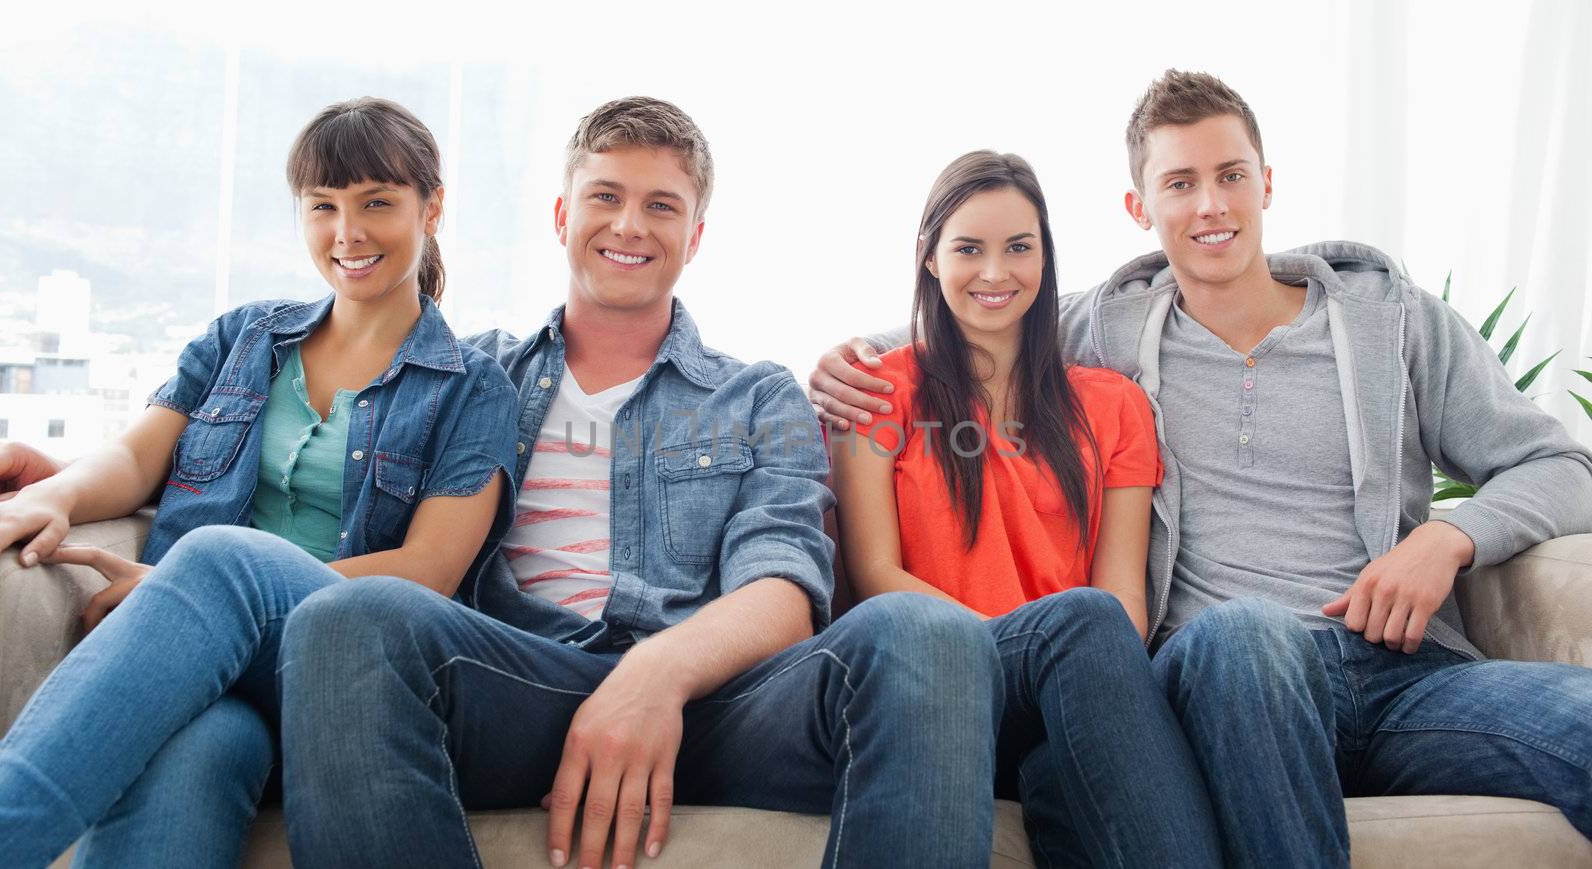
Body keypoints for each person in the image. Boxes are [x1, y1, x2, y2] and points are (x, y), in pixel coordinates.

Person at [811, 69, 1592, 865]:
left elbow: (1563, 464)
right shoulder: (1112, 326)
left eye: (1231, 176)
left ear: (1268, 183)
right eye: (1180, 183)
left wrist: (1446, 543)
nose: (1211, 206)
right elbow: (983, 314)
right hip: (1226, 665)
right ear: (1140, 208)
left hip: (1400, 671)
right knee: (1246, 633)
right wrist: (851, 359)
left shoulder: (1392, 320)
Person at [265, 97, 1001, 869]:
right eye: (605, 197)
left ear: (696, 235)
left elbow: (785, 585)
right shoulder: (469, 374)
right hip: (512, 682)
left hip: (715, 708)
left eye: (661, 206)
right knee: (348, 620)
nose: (629, 226)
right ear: (560, 215)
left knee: (929, 630)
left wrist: (657, 673)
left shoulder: (756, 395)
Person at [0, 96, 518, 869]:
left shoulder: (473, 386)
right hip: (220, 680)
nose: (349, 233)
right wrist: (54, 494)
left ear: (431, 207)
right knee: (196, 748)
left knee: (216, 562)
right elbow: (140, 457)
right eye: (324, 206)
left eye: (378, 203)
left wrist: (203, 594)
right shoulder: (245, 337)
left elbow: (428, 571)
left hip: (342, 666)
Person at [829, 148, 1221, 867]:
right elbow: (875, 572)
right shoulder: (876, 392)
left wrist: (1068, 662)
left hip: (1071, 693)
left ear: (1046, 257)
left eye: (1018, 248)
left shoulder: (1114, 405)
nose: (994, 273)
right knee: (1084, 623)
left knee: (1077, 719)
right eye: (968, 249)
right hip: (942, 678)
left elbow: (1123, 597)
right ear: (928, 258)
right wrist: (1022, 642)